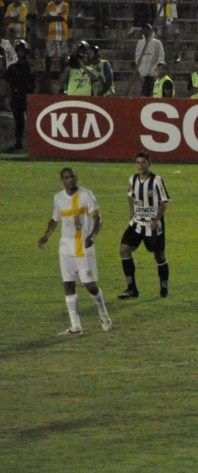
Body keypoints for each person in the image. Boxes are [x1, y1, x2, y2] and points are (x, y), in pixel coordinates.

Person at [37, 167, 113, 335]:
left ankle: (104, 314)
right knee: (68, 285)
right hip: (65, 249)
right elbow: (55, 219)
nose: (70, 180)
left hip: (84, 247)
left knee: (90, 286)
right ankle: (76, 326)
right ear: (62, 181)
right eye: (66, 178)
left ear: (76, 177)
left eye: (72, 177)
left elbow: (98, 218)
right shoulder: (58, 198)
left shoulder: (86, 195)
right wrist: (46, 236)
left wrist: (92, 235)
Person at [119, 151, 171, 299]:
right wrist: (131, 212)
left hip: (152, 224)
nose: (140, 166)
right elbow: (130, 196)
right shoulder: (133, 179)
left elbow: (164, 201)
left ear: (149, 163)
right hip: (136, 223)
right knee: (124, 251)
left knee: (159, 255)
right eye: (138, 163)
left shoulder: (156, 180)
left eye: (143, 162)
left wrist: (156, 219)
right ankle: (132, 289)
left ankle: (164, 286)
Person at [3, 39, 32, 152]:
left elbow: (33, 80)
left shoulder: (29, 66)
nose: (20, 53)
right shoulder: (13, 67)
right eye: (18, 51)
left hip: (27, 96)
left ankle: (32, 143)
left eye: (22, 51)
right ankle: (18, 143)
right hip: (16, 97)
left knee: (31, 121)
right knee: (18, 122)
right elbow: (5, 77)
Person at [41, 0, 69, 81]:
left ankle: (62, 74)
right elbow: (45, 18)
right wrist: (56, 17)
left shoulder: (65, 5)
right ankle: (47, 74)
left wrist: (51, 17)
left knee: (62, 55)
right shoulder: (49, 5)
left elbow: (62, 18)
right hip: (51, 34)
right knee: (49, 54)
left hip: (62, 35)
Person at [134, 23, 164, 96]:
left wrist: (157, 72)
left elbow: (161, 57)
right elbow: (137, 58)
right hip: (144, 74)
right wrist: (140, 72)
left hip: (153, 74)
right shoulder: (140, 43)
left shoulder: (157, 43)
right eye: (144, 29)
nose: (145, 31)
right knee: (144, 94)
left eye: (147, 29)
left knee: (155, 93)